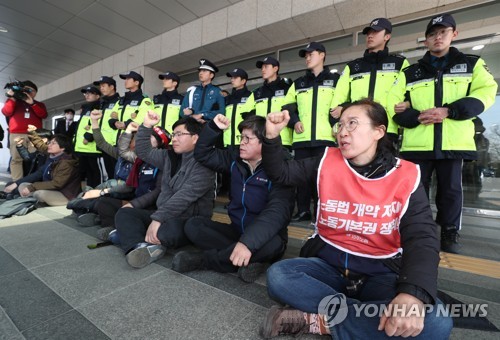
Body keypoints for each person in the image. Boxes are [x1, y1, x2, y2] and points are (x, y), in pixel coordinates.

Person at [259, 99, 452, 339]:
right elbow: (282, 173)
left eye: (352, 124)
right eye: (340, 126)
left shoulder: (406, 175)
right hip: (329, 266)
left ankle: (314, 321)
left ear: (378, 131)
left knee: (437, 322)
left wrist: (411, 295)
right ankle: (361, 318)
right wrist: (271, 136)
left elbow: (422, 238)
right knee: (279, 276)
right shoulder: (325, 161)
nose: (343, 132)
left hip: (382, 272)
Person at [388, 13, 498, 253]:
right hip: (417, 144)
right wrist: (415, 116)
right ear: (425, 40)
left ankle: (449, 233)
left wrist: (450, 111)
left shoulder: (471, 64)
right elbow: (392, 103)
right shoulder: (410, 72)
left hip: (453, 142)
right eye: (432, 34)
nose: (437, 37)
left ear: (453, 35)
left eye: (443, 32)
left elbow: (487, 92)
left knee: (450, 192)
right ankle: (417, 230)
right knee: (415, 193)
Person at [171, 114, 293, 283]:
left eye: (247, 138)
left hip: (266, 237)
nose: (241, 142)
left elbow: (277, 213)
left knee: (272, 245)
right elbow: (203, 154)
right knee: (194, 225)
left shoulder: (282, 168)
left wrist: (248, 243)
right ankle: (250, 260)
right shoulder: (235, 160)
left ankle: (206, 260)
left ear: (264, 141)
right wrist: (213, 128)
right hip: (237, 231)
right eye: (241, 137)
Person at [115, 114, 215, 269]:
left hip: (187, 220)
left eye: (180, 134)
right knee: (124, 213)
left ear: (195, 138)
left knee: (167, 232)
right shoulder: (169, 156)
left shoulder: (204, 164)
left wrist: (158, 219)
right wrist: (146, 125)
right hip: (163, 214)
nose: (174, 138)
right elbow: (143, 151)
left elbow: (184, 197)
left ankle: (129, 237)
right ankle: (137, 246)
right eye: (173, 134)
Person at [281, 42, 340, 222]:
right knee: (302, 179)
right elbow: (287, 107)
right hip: (302, 138)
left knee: (323, 178)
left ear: (322, 55)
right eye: (305, 55)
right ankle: (304, 210)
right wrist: (295, 120)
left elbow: (345, 103)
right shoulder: (298, 83)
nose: (307, 58)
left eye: (310, 54)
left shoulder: (336, 80)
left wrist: (341, 114)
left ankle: (322, 213)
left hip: (326, 138)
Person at [330, 18, 409, 143]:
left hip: (387, 128)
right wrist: (337, 124)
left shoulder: (399, 63)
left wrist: (407, 104)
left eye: (375, 32)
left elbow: (408, 93)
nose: (370, 36)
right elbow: (339, 97)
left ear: (387, 36)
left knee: (386, 162)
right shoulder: (353, 66)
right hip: (356, 129)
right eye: (368, 33)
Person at [2, 133, 80, 206]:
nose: (49, 145)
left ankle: (27, 199)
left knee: (39, 194)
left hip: (65, 194)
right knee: (23, 185)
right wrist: (18, 184)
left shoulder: (66, 163)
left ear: (63, 147)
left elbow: (56, 184)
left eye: (53, 143)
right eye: (50, 142)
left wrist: (32, 187)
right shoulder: (52, 157)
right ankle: (26, 199)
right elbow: (38, 173)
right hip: (52, 190)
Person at [242, 56, 293, 148]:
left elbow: (293, 111)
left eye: (266, 67)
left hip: (283, 140)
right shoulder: (257, 92)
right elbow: (246, 114)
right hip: (261, 139)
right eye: (262, 67)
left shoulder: (287, 88)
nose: (263, 70)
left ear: (275, 68)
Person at [2, 80, 48, 181]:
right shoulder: (13, 101)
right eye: (25, 89)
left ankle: (32, 180)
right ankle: (17, 183)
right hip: (16, 134)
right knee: (16, 159)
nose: (27, 92)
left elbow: (43, 115)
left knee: (35, 158)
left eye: (30, 90)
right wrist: (12, 98)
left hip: (34, 134)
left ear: (35, 92)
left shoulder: (39, 104)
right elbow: (6, 112)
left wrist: (32, 104)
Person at [73, 86, 104, 188]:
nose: (87, 95)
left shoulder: (100, 106)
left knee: (96, 173)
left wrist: (89, 136)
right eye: (86, 93)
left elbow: (98, 122)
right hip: (82, 147)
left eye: (90, 93)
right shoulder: (86, 107)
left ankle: (97, 192)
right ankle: (89, 191)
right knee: (87, 173)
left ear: (97, 96)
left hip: (92, 148)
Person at [180, 59, 225, 123]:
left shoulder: (217, 91)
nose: (200, 73)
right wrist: (189, 114)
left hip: (208, 126)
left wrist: (202, 115)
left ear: (211, 75)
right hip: (192, 125)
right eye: (200, 71)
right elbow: (182, 111)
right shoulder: (192, 91)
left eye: (204, 71)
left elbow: (221, 112)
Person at [93, 76, 121, 180]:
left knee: (117, 173)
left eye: (103, 86)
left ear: (112, 87)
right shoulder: (102, 103)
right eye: (100, 86)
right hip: (103, 143)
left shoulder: (120, 102)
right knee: (108, 174)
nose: (101, 88)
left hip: (114, 144)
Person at [222, 68, 251, 148]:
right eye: (231, 78)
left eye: (235, 78)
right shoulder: (227, 99)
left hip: (244, 142)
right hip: (227, 143)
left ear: (243, 81)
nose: (232, 80)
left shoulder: (251, 96)